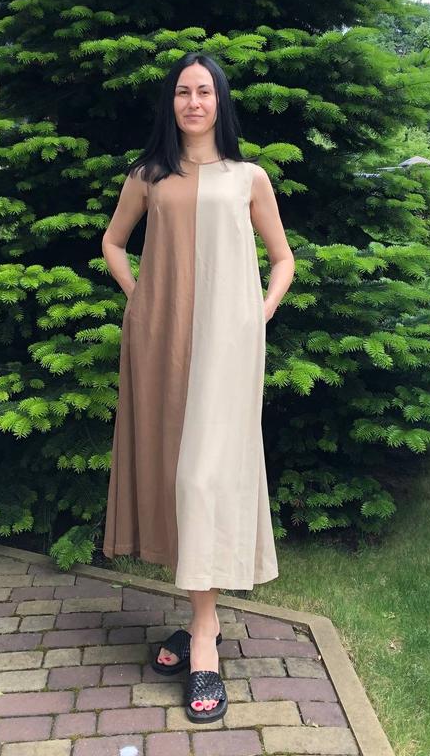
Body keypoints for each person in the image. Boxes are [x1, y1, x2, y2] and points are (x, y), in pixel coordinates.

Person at [101, 52, 295, 723]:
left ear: (220, 102)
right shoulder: (149, 175)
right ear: (171, 103)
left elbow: (282, 258)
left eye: (203, 91)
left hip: (229, 347)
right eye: (182, 91)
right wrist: (140, 297)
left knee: (203, 478)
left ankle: (204, 637)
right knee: (172, 475)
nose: (192, 102)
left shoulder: (248, 177)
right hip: (160, 343)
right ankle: (197, 620)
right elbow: (113, 242)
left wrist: (259, 312)